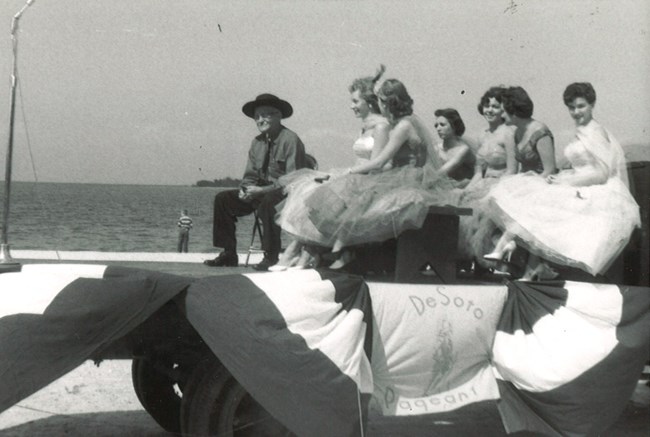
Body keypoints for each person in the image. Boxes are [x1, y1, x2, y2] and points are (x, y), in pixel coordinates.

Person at [485, 82, 640, 278]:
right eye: (572, 107)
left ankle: (514, 251)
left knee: (540, 199)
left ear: (592, 104)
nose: (576, 112)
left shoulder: (595, 131)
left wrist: (566, 182)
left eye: (581, 106)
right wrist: (562, 178)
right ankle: (525, 263)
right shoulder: (581, 130)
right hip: (578, 180)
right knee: (537, 198)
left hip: (597, 188)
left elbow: (601, 173)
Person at [304, 77, 456, 269]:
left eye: (381, 101)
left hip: (407, 178)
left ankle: (343, 252)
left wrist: (346, 171)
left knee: (360, 195)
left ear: (388, 103)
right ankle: (341, 251)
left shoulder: (403, 127)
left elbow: (380, 161)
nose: (379, 106)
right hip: (406, 175)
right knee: (359, 197)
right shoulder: (408, 122)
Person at [270, 66, 391, 271]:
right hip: (356, 176)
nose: (351, 106)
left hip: (371, 181)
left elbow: (378, 164)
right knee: (307, 189)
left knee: (322, 195)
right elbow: (359, 160)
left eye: (355, 101)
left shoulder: (382, 126)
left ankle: (300, 253)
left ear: (370, 102)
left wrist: (346, 175)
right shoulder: (365, 125)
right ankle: (304, 252)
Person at [204, 93, 306, 271]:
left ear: (278, 116)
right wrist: (245, 189)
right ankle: (229, 254)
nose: (260, 120)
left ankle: (271, 257)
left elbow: (293, 180)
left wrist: (261, 191)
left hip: (286, 195)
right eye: (257, 116)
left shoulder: (290, 140)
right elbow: (250, 174)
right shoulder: (256, 143)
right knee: (223, 199)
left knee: (268, 203)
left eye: (266, 115)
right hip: (259, 193)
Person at [456, 87, 517, 269]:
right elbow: (478, 172)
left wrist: (494, 191)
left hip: (502, 184)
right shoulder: (481, 135)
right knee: (459, 203)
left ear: (503, 110)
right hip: (483, 183)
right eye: (486, 105)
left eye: (495, 106)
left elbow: (512, 170)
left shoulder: (508, 133)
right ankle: (467, 264)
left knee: (482, 212)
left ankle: (493, 264)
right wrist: (466, 190)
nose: (489, 110)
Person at [432, 108, 476, 183]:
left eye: (442, 125)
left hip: (464, 187)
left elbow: (441, 173)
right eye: (436, 126)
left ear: (454, 126)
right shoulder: (437, 148)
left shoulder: (463, 149)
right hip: (444, 186)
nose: (438, 129)